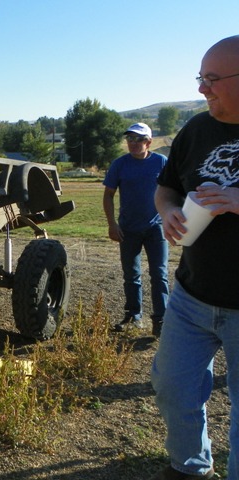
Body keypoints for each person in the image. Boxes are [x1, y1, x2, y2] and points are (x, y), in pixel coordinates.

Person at [151, 35, 239, 480]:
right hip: (191, 296)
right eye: (200, 79)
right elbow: (167, 188)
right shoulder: (195, 130)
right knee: (172, 389)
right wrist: (167, 211)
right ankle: (189, 469)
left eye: (212, 79)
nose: (203, 89)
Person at [103, 123, 169, 336]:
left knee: (159, 274)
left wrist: (170, 216)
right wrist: (112, 224)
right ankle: (133, 316)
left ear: (148, 142)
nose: (132, 143)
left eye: (138, 139)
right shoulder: (120, 165)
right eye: (129, 139)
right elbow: (108, 195)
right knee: (131, 275)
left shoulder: (161, 162)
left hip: (156, 228)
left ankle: (161, 320)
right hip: (128, 229)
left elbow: (174, 190)